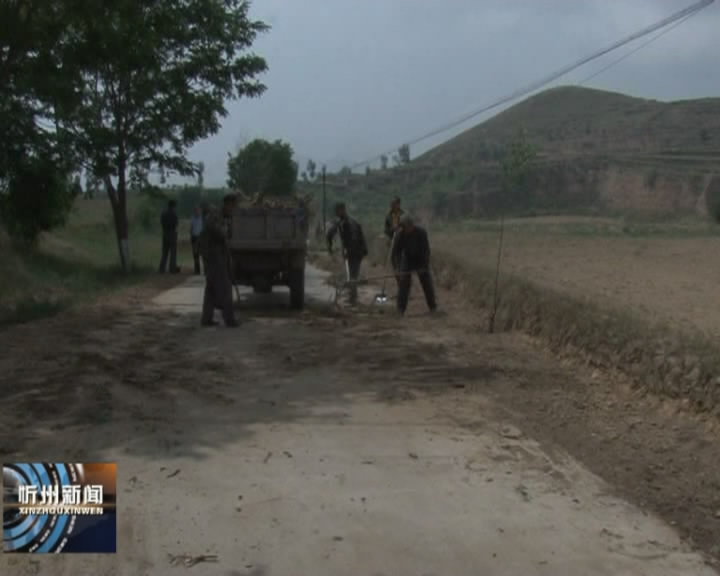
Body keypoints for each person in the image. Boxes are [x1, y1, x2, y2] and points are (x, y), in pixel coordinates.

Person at [199, 195, 238, 327]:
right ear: (227, 204)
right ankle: (229, 319)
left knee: (211, 289)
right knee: (225, 287)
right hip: (213, 258)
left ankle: (206, 318)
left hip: (216, 256)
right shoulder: (215, 216)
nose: (233, 210)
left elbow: (229, 234)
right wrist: (227, 226)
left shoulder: (224, 217)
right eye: (232, 207)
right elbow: (221, 233)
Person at [392, 214, 437, 316]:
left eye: (405, 226)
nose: (404, 229)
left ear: (411, 225)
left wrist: (424, 266)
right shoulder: (400, 235)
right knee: (404, 284)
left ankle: (433, 307)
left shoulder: (421, 233)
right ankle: (400, 309)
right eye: (402, 227)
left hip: (420, 259)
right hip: (407, 260)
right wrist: (397, 268)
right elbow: (396, 253)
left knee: (426, 283)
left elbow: (426, 251)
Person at [326, 203, 368, 306]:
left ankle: (353, 299)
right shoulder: (345, 221)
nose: (336, 213)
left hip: (355, 252)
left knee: (352, 275)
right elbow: (330, 234)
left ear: (342, 210)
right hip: (356, 251)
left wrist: (346, 251)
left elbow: (354, 237)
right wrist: (331, 247)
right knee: (352, 275)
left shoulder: (346, 222)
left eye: (337, 211)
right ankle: (352, 297)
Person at [383, 196, 404, 281]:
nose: (391, 205)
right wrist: (392, 229)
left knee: (402, 265)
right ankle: (400, 285)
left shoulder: (404, 215)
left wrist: (400, 229)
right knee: (394, 264)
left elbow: (408, 228)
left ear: (398, 204)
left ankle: (404, 286)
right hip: (393, 243)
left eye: (394, 204)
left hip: (403, 244)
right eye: (391, 204)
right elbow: (386, 230)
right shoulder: (388, 216)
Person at [159, 200, 180, 273]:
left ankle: (162, 268)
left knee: (164, 252)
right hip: (172, 233)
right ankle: (172, 268)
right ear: (173, 206)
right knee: (173, 253)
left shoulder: (163, 213)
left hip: (165, 233)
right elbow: (176, 224)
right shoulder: (174, 214)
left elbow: (161, 222)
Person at [190, 205, 203, 275]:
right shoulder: (192, 218)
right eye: (195, 211)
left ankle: (205, 269)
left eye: (197, 210)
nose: (196, 212)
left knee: (203, 253)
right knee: (195, 254)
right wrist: (191, 236)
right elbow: (191, 228)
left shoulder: (202, 218)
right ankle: (197, 270)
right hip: (194, 237)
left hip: (201, 237)